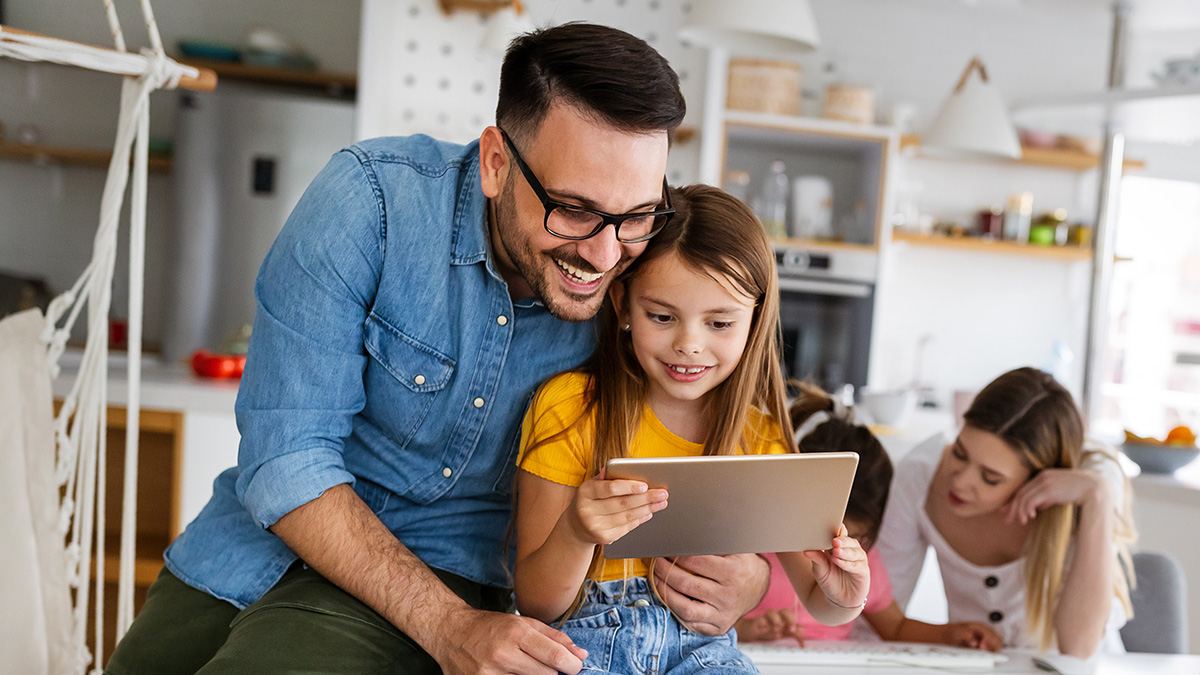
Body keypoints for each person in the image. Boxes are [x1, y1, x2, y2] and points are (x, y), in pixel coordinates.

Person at [105, 24, 772, 675]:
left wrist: (752, 579)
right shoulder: (369, 202)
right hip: (246, 551)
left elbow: (719, 413)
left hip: (451, 578)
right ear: (495, 163)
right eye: (572, 209)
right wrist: (449, 626)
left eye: (636, 215)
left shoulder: (643, 278)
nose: (603, 256)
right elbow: (286, 456)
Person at [513, 184, 871, 675]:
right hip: (585, 647)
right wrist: (577, 531)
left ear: (754, 320)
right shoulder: (571, 407)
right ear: (622, 304)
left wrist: (847, 597)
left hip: (703, 654)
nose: (689, 344)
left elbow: (818, 598)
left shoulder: (760, 439)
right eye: (662, 317)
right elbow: (535, 604)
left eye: (719, 324)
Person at [875, 367, 1137, 658]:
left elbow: (1078, 649)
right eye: (959, 453)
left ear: (1037, 480)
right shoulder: (920, 474)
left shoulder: (1092, 483)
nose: (960, 482)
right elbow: (877, 608)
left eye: (990, 478)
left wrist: (1097, 497)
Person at [735, 382, 1003, 651]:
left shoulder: (860, 562)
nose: (831, 551)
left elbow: (895, 627)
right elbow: (711, 620)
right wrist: (746, 629)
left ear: (872, 529)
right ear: (792, 500)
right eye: (817, 533)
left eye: (852, 537)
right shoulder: (756, 547)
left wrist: (950, 634)